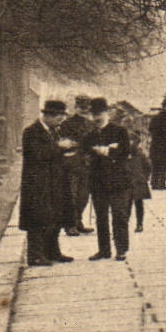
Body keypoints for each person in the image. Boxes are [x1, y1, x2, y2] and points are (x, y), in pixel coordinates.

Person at [19, 100, 76, 267]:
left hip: (55, 181)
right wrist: (60, 147)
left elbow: (53, 154)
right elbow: (38, 154)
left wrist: (66, 152)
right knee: (38, 219)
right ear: (48, 116)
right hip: (38, 184)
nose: (61, 120)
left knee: (56, 216)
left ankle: (53, 251)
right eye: (59, 117)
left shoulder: (53, 131)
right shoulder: (31, 132)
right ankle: (35, 255)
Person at [86, 97, 134, 260]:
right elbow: (85, 154)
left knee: (119, 216)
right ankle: (104, 250)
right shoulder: (90, 135)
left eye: (99, 113)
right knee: (101, 217)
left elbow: (126, 152)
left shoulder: (120, 131)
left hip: (119, 181)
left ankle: (121, 249)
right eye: (93, 114)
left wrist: (107, 152)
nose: (96, 117)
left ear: (107, 113)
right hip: (98, 182)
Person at [58, 95, 96, 235]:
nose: (84, 110)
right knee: (71, 195)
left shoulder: (91, 125)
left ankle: (78, 221)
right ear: (76, 107)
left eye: (86, 108)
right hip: (71, 164)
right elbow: (63, 142)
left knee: (83, 195)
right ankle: (70, 225)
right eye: (81, 107)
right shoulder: (66, 124)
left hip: (86, 164)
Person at [147, 97, 166, 190]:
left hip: (155, 144)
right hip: (164, 146)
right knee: (163, 165)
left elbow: (150, 129)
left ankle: (154, 183)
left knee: (156, 164)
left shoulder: (155, 117)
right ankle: (160, 184)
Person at [126, 126, 153, 233]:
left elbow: (148, 166)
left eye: (132, 142)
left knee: (139, 204)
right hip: (126, 182)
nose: (130, 144)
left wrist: (145, 178)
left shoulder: (140, 154)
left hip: (138, 182)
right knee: (125, 205)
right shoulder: (122, 155)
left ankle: (139, 224)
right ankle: (125, 224)